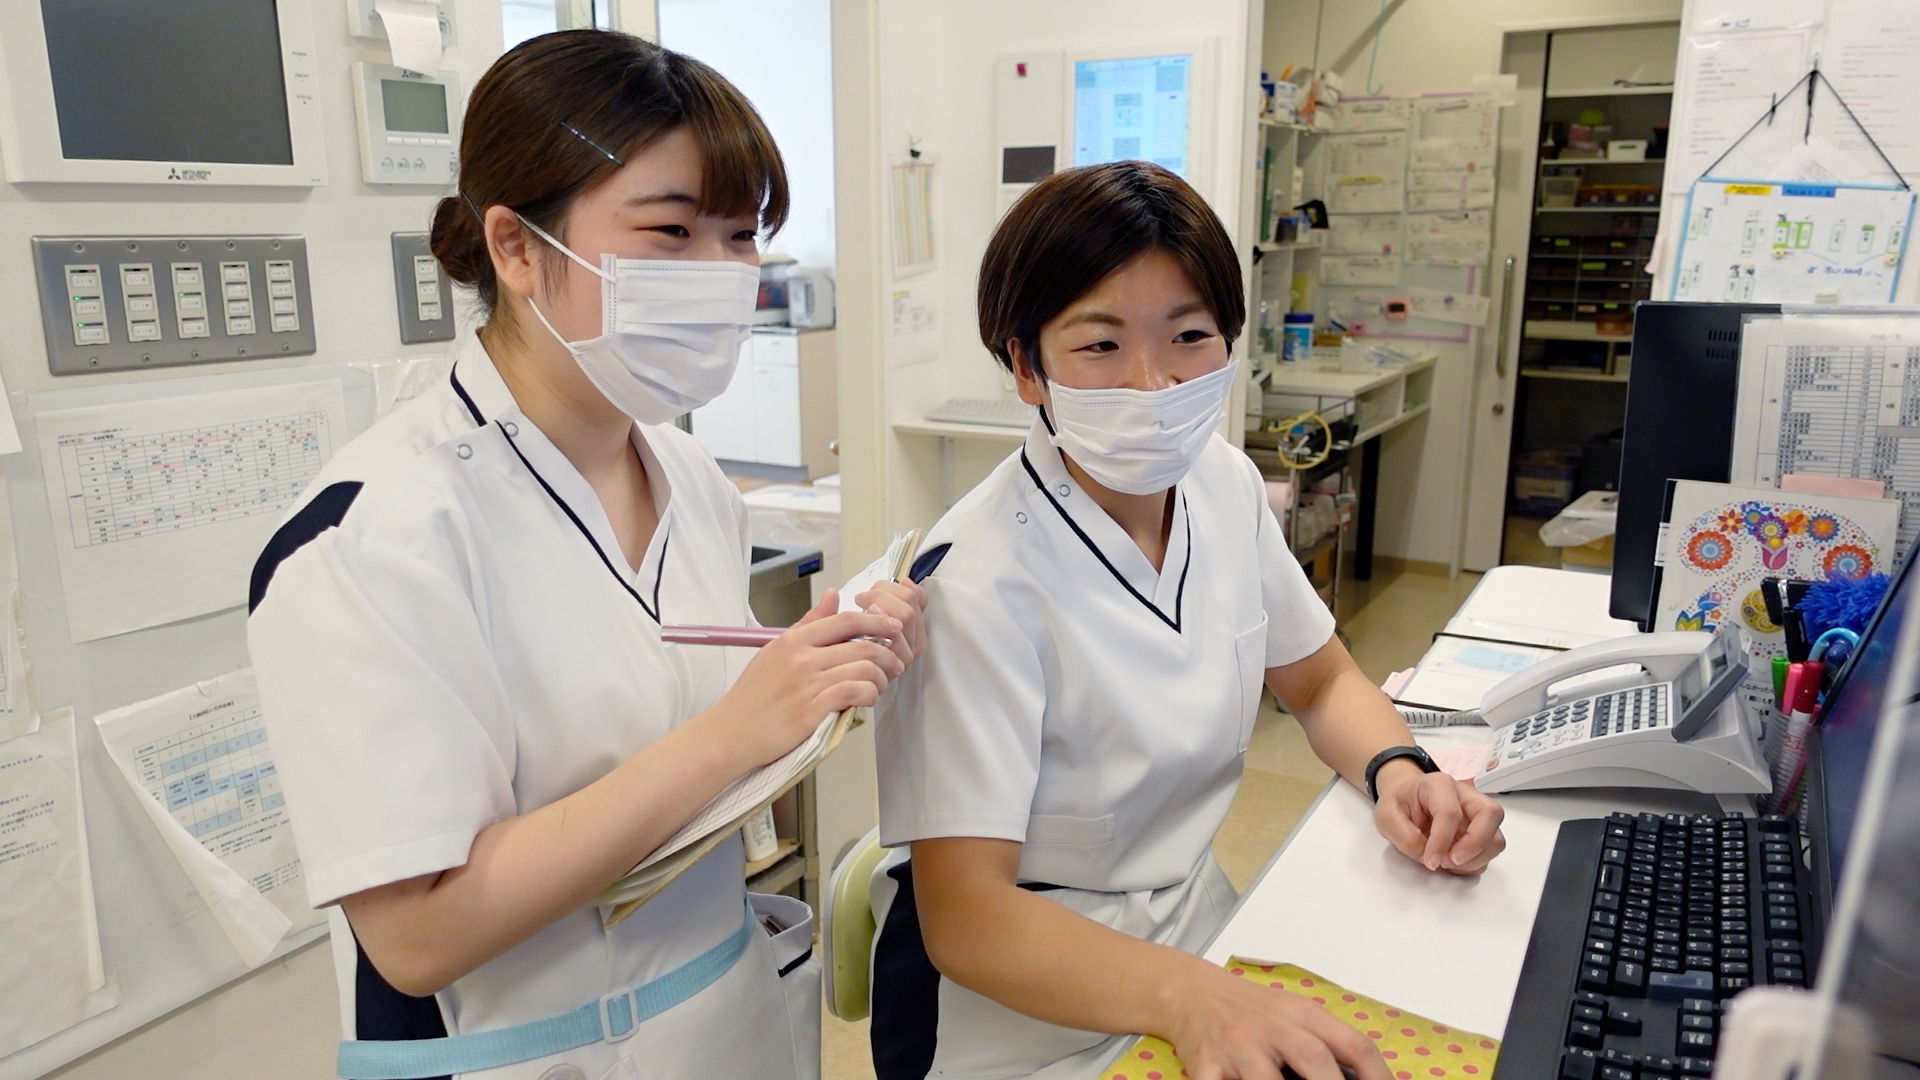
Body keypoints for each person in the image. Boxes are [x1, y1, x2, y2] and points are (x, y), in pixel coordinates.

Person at [248, 31, 925, 1080]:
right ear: (517, 249)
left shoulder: (691, 481)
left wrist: (812, 671)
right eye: (670, 233)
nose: (723, 276)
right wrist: (737, 733)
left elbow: (670, 736)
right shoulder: (373, 535)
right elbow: (418, 937)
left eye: (742, 237)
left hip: (732, 1020)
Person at [870, 161, 1506, 1080]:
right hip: (1027, 1006)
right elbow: (968, 920)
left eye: (1189, 336)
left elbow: (1319, 678)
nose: (1153, 383)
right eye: (1099, 347)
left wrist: (1399, 769)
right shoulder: (975, 579)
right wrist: (1187, 998)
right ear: (1024, 365)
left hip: (1198, 932)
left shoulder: (1221, 481)